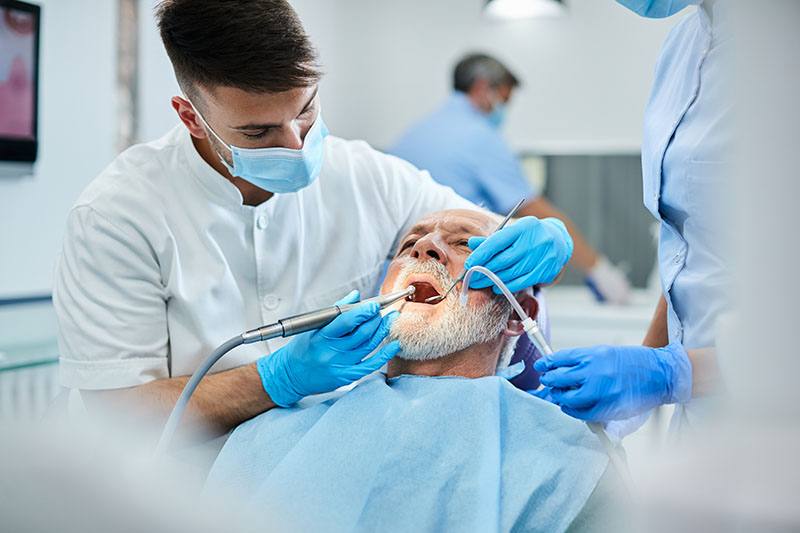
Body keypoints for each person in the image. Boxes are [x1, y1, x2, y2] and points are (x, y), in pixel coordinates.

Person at [52, 0, 573, 444]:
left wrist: (545, 240)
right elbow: (117, 418)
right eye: (258, 132)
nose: (296, 146)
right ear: (191, 116)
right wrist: (278, 379)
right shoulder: (116, 218)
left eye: (305, 111)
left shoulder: (369, 177)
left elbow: (472, 231)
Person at [207, 209, 623, 532]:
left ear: (518, 315)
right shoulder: (272, 434)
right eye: (410, 244)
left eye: (464, 243)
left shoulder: (564, 464)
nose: (425, 248)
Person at [534, 0, 729, 434]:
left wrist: (669, 374)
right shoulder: (683, 47)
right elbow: (692, 245)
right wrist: (644, 382)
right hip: (700, 423)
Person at [390, 53, 632, 304]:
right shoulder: (480, 138)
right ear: (483, 87)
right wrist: (599, 270)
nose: (503, 110)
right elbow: (535, 210)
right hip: (451, 285)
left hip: (401, 279)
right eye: (504, 99)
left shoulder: (415, 133)